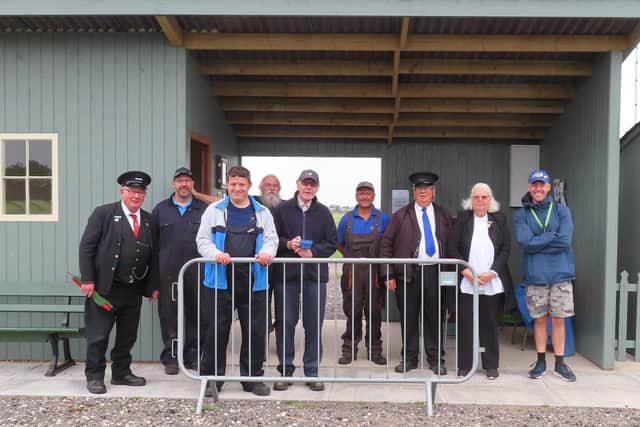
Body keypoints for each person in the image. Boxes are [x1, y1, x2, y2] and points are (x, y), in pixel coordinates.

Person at [196, 165, 278, 396]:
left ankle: (252, 379)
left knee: (255, 330)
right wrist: (216, 254)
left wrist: (267, 253)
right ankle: (212, 380)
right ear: (227, 186)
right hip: (220, 279)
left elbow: (272, 239)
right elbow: (202, 241)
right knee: (216, 330)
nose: (237, 188)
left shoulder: (262, 212)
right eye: (233, 184)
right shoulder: (213, 210)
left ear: (249, 186)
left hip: (254, 280)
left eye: (241, 184)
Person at [78, 171, 160, 394]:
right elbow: (87, 247)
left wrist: (153, 286)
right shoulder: (104, 213)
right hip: (105, 288)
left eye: (141, 192)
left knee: (128, 335)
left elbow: (154, 255)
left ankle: (121, 373)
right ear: (122, 191)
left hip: (133, 289)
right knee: (98, 335)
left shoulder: (149, 219)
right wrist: (87, 279)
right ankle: (94, 376)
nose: (137, 196)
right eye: (132, 191)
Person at [379, 171, 452, 375]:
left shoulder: (443, 214)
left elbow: (452, 243)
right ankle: (409, 358)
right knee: (409, 318)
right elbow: (386, 245)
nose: (423, 191)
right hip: (408, 276)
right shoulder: (400, 216)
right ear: (413, 191)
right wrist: (388, 274)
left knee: (435, 318)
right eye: (419, 188)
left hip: (435, 274)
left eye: (427, 188)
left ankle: (436, 359)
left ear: (433, 191)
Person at [271, 169, 337, 392]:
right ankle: (285, 370)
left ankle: (312, 371)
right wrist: (288, 244)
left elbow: (332, 242)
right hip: (286, 276)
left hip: (314, 276)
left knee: (313, 325)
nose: (308, 187)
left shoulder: (324, 213)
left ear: (317, 187)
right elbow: (271, 238)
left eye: (313, 184)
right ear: (298, 184)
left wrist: (314, 252)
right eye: (305, 183)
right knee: (286, 324)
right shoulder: (281, 210)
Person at [514, 169, 576, 382]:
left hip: (560, 274)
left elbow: (565, 241)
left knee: (558, 319)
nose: (538, 188)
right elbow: (525, 243)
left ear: (548, 187)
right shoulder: (521, 214)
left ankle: (560, 363)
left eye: (542, 185)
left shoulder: (562, 211)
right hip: (536, 276)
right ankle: (540, 361)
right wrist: (551, 236)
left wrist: (539, 241)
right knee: (539, 320)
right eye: (535, 185)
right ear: (530, 188)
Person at [447, 183, 514, 379]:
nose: (480, 200)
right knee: (466, 324)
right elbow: (452, 247)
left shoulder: (499, 220)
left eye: (484, 197)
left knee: (490, 324)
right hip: (468, 281)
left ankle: (491, 365)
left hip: (490, 281)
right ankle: (465, 365)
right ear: (471, 199)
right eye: (476, 197)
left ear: (490, 200)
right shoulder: (462, 219)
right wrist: (465, 270)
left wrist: (493, 272)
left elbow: (505, 249)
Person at [152, 167, 208, 375]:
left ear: (193, 184)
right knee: (169, 316)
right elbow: (153, 245)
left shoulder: (204, 209)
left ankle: (194, 356)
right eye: (180, 181)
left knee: (197, 315)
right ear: (173, 184)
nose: (184, 184)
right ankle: (172, 357)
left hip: (198, 273)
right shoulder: (160, 209)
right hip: (168, 275)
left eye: (187, 180)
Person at [336, 181, 389, 365]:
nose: (365, 197)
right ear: (356, 196)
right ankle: (349, 350)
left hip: (375, 274)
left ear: (373, 196)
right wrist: (352, 258)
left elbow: (387, 244)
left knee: (375, 312)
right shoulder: (347, 219)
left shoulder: (383, 219)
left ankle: (375, 351)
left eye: (368, 193)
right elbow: (339, 243)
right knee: (352, 311)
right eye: (361, 193)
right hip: (352, 274)